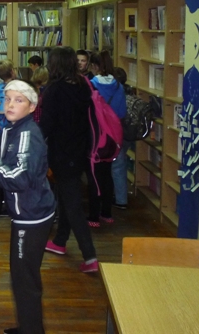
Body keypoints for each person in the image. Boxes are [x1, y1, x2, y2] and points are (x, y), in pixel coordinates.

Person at [0, 80, 55, 334]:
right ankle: (28, 326)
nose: (10, 105)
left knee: (25, 278)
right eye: (7, 99)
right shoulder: (8, 129)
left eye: (19, 100)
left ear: (32, 107)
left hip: (32, 216)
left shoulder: (28, 135)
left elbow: (20, 178)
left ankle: (32, 330)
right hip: (23, 213)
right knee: (20, 275)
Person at [40, 47, 99, 274]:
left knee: (73, 204)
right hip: (81, 151)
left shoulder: (54, 90)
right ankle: (60, 241)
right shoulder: (83, 85)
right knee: (66, 196)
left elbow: (46, 125)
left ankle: (90, 256)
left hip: (62, 153)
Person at [87, 50, 127, 226]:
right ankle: (107, 213)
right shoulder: (119, 86)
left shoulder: (91, 85)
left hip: (96, 136)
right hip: (114, 136)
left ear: (94, 66)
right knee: (108, 174)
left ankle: (93, 216)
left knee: (94, 176)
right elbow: (122, 112)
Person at [111, 67, 132, 210]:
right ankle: (120, 197)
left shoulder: (116, 93)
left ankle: (120, 199)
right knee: (121, 165)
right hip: (129, 133)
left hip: (117, 132)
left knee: (117, 166)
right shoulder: (130, 92)